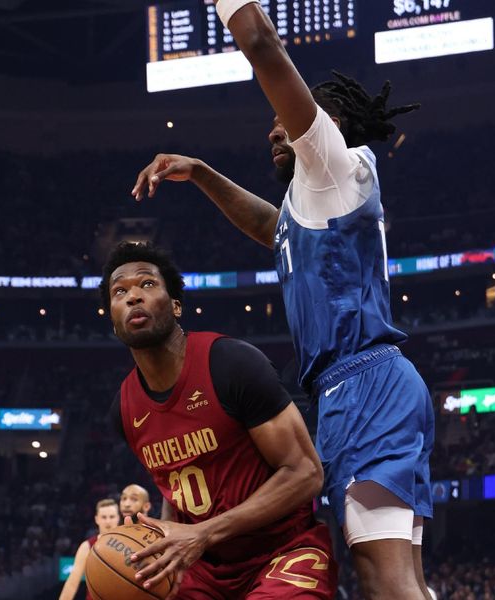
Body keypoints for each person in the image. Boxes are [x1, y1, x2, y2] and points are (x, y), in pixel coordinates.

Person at [130, 3, 433, 598]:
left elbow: (263, 44)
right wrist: (203, 173)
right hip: (359, 390)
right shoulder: (313, 202)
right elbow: (272, 226)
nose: (273, 129)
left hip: (366, 386)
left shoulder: (329, 162)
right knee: (400, 581)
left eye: (283, 120)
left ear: (327, 124)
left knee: (384, 579)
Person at [101, 241, 336, 599]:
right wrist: (169, 540)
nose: (133, 296)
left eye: (147, 284)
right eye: (120, 291)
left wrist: (205, 532)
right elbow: (174, 490)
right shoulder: (124, 409)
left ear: (176, 306)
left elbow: (306, 473)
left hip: (284, 551)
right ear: (114, 320)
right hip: (202, 565)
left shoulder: (231, 363)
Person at [58, 498, 120, 600]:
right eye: (104, 517)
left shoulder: (128, 544)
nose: (108, 521)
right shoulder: (86, 547)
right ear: (97, 519)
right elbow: (72, 583)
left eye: (112, 517)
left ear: (118, 518)